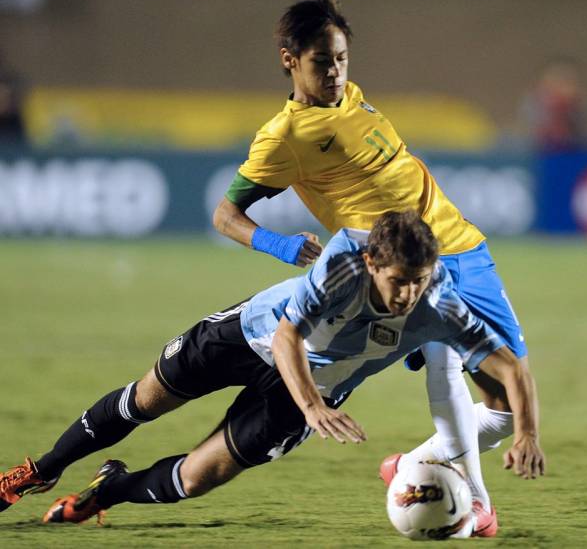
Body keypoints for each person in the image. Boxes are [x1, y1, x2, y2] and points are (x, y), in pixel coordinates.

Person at [212, 0, 542, 532]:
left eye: (342, 58)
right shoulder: (284, 137)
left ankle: (412, 465)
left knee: (506, 404)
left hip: (462, 246)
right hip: (402, 268)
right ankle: (477, 505)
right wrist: (278, 245)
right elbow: (226, 215)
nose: (336, 71)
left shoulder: (354, 99)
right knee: (445, 358)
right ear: (289, 59)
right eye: (323, 61)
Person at [0, 211, 544, 534]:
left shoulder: (440, 306)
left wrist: (527, 433)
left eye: (421, 280)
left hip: (311, 389)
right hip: (251, 337)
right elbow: (289, 335)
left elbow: (510, 367)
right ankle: (42, 469)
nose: (410, 294)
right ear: (375, 265)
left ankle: (109, 492)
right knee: (144, 401)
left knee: (198, 478)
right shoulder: (345, 263)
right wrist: (313, 408)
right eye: (400, 280)